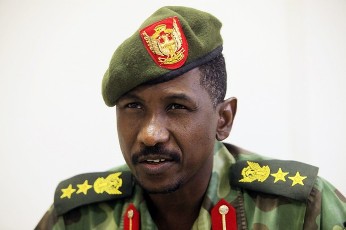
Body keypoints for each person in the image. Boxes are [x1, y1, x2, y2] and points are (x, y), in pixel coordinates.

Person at [36, 6, 346, 230]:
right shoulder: (79, 217)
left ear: (223, 119)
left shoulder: (299, 210)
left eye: (176, 107)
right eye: (133, 107)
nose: (151, 134)